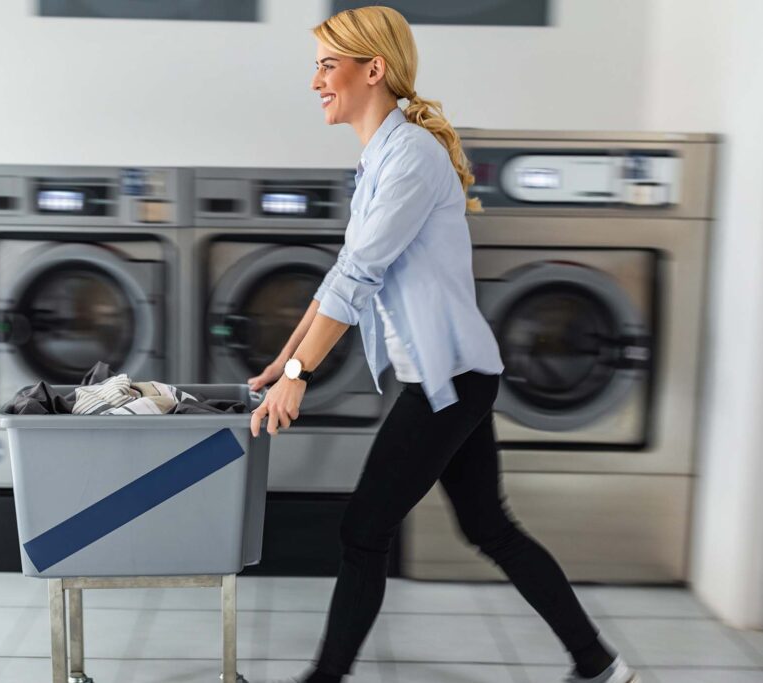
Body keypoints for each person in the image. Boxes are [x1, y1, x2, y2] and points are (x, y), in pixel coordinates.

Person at [246, 6, 640, 683]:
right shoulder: (380, 158)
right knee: (490, 528)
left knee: (363, 530)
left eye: (327, 65)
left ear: (374, 69)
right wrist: (286, 358)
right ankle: (600, 663)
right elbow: (343, 271)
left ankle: (323, 680)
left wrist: (302, 372)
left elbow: (360, 275)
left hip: (449, 382)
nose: (315, 81)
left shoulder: (411, 158)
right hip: (457, 373)